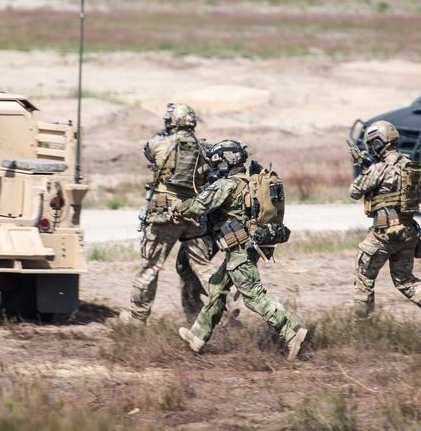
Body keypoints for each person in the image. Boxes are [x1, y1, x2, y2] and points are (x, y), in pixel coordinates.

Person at [176, 140, 309, 361]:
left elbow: (199, 206)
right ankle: (198, 336)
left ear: (227, 161)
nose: (215, 166)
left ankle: (292, 331)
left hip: (239, 250)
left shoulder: (226, 185)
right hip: (246, 247)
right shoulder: (247, 182)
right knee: (217, 287)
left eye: (217, 162)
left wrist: (177, 208)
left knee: (253, 296)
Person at [120, 104, 222, 325]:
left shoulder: (160, 143)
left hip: (164, 216)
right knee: (203, 266)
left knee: (151, 266)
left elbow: (148, 152)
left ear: (173, 122)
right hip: (193, 215)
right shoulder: (203, 149)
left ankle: (137, 318)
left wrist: (164, 134)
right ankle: (225, 304)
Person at [348, 120, 421, 325]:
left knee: (363, 274)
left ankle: (361, 323)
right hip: (408, 231)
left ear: (378, 143)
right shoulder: (411, 166)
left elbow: (354, 192)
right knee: (404, 280)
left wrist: (366, 169)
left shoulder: (380, 168)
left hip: (384, 233)